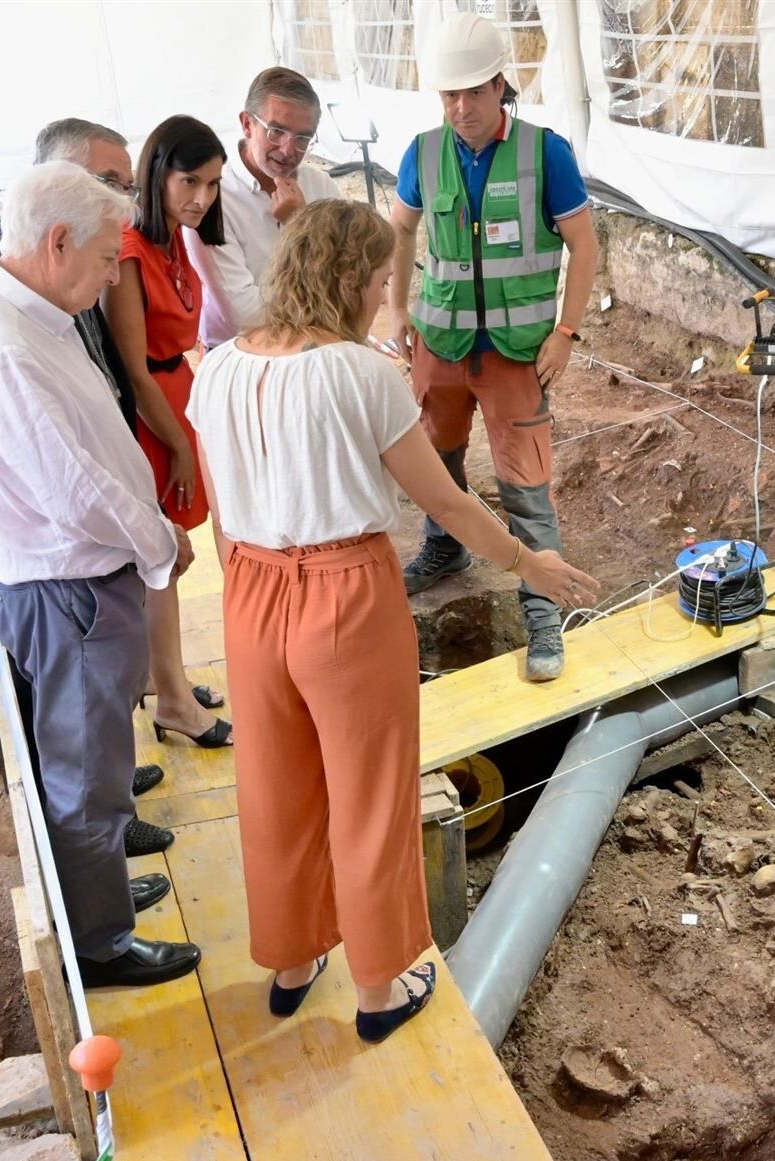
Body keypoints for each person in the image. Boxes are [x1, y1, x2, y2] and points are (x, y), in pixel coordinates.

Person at [188, 199, 599, 1042]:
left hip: (251, 592)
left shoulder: (216, 367)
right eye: (381, 281)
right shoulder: (364, 375)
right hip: (346, 592)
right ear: (348, 278)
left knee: (276, 786)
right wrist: (529, 563)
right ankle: (379, 988)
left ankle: (292, 963)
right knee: (372, 793)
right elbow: (444, 501)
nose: (385, 296)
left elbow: (223, 515)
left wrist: (250, 591)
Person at [0, 161, 201, 990]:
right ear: (57, 243)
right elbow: (74, 491)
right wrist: (157, 544)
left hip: (61, 582)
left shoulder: (23, 312)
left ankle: (99, 886)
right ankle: (100, 941)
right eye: (105, 258)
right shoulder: (8, 348)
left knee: (90, 754)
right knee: (83, 776)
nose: (112, 276)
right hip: (66, 591)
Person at [388, 10, 599, 683]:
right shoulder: (423, 153)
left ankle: (543, 609)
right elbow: (400, 231)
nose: (461, 108)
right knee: (436, 459)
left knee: (526, 485)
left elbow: (585, 245)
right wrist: (397, 308)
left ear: (500, 85)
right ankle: (444, 546)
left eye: (474, 92)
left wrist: (566, 332)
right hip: (441, 344)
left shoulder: (545, 153)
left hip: (516, 353)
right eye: (449, 94)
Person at [106, 115, 233, 749]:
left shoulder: (173, 239)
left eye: (212, 184)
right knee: (161, 558)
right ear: (157, 174)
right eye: (190, 181)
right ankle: (174, 702)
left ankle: (166, 679)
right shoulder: (131, 248)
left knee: (171, 560)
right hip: (150, 414)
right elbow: (134, 369)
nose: (201, 198)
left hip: (177, 397)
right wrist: (180, 445)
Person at [190, 67, 341, 348]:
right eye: (277, 131)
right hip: (242, 355)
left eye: (303, 138)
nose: (288, 150)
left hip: (316, 347)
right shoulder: (212, 199)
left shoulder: (321, 186)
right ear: (247, 124)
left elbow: (349, 279)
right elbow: (245, 316)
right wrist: (300, 228)